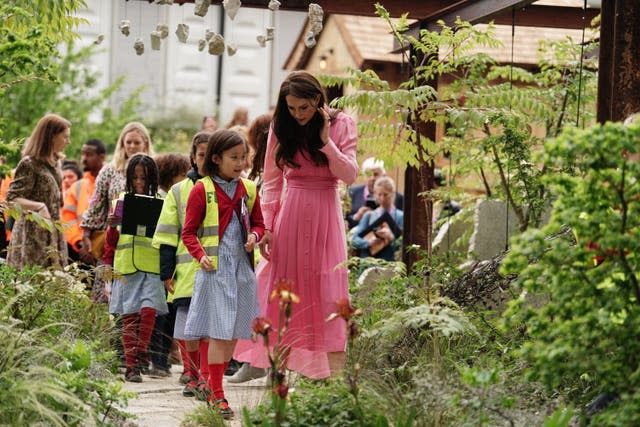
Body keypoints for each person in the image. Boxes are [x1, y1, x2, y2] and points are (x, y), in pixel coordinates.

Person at [234, 70, 358, 379]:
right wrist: (268, 228)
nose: (298, 114)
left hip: (326, 213)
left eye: (303, 107)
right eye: (291, 108)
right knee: (284, 290)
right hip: (291, 214)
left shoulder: (343, 124)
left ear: (317, 100)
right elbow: (273, 183)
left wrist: (327, 143)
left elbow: (350, 175)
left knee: (329, 290)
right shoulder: (282, 126)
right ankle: (279, 378)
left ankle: (332, 380)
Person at [181, 129, 265, 418]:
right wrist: (200, 255)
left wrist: (255, 236)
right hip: (215, 271)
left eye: (244, 157)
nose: (240, 163)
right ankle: (217, 394)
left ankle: (210, 382)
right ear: (216, 158)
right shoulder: (201, 190)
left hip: (242, 270)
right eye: (234, 158)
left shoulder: (249, 189)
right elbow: (188, 232)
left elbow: (259, 224)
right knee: (218, 333)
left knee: (231, 335)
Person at [152, 132, 212, 397]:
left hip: (215, 271)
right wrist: (166, 271)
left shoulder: (229, 187)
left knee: (210, 328)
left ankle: (204, 376)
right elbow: (166, 234)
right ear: (193, 157)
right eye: (202, 155)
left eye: (212, 155)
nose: (207, 160)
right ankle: (191, 372)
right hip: (186, 271)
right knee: (187, 326)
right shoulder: (178, 192)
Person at [103, 154, 169, 382]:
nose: (140, 181)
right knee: (129, 315)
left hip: (152, 264)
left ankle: (141, 350)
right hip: (126, 264)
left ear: (153, 178)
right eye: (135, 177)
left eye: (144, 177)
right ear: (129, 177)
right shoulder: (120, 200)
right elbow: (111, 241)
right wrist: (111, 227)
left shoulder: (163, 199)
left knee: (149, 310)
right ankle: (132, 366)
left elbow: (169, 233)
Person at [80, 122, 154, 302]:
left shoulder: (153, 167)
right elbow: (97, 204)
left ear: (145, 143)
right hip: (113, 238)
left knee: (138, 296)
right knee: (105, 292)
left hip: (144, 240)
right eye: (128, 142)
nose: (132, 146)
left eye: (136, 142)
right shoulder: (110, 170)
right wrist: (87, 232)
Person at [227, 113, 271, 384]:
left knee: (265, 299)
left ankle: (263, 362)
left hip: (269, 240)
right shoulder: (261, 173)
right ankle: (258, 361)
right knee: (261, 299)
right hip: (259, 241)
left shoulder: (277, 169)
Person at [6, 114, 71, 269]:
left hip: (54, 232)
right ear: (51, 136)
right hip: (32, 237)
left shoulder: (57, 162)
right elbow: (12, 199)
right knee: (32, 284)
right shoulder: (29, 164)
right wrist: (38, 206)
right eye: (65, 137)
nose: (68, 142)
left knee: (55, 286)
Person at [147, 152, 190, 378]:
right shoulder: (164, 198)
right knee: (162, 315)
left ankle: (163, 359)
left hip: (173, 263)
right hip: (161, 264)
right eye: (182, 175)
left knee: (169, 314)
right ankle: (158, 360)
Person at [61, 139, 106, 263]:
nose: (83, 159)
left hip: (106, 252)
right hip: (80, 252)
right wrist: (80, 243)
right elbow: (67, 219)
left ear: (101, 157)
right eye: (83, 154)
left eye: (89, 155)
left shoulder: (112, 183)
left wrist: (96, 247)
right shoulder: (78, 186)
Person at [351, 176, 404, 261]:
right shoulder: (368, 215)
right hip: (368, 263)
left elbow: (404, 245)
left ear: (393, 193)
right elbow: (354, 240)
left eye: (385, 194)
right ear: (375, 194)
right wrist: (368, 242)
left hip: (389, 265)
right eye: (379, 194)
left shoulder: (400, 216)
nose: (382, 198)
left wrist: (390, 237)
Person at [346, 157, 404, 229]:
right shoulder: (351, 193)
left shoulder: (398, 197)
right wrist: (356, 217)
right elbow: (344, 220)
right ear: (364, 176)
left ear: (384, 176)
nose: (372, 178)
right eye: (369, 174)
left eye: (376, 174)